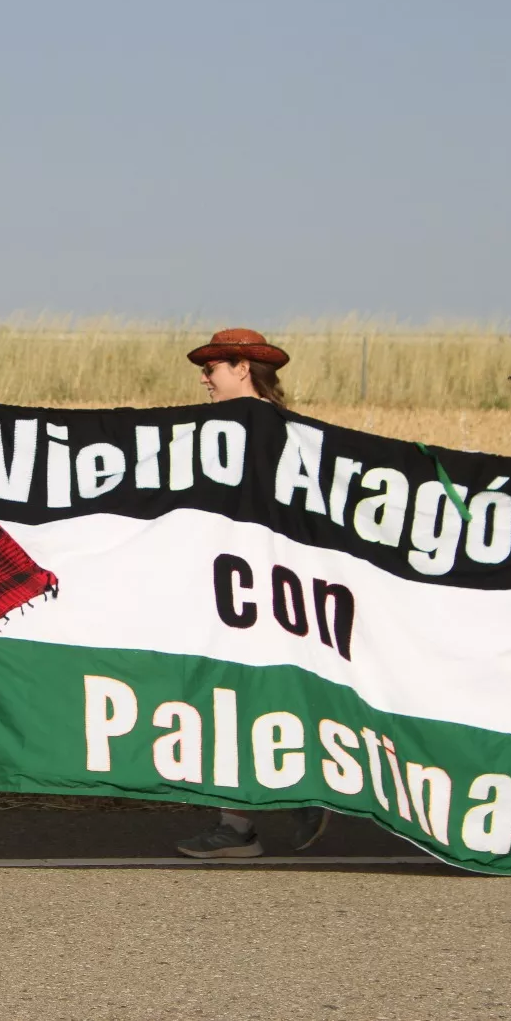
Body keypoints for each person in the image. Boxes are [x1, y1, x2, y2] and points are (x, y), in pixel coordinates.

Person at [172, 328, 331, 859]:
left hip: (271, 589)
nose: (204, 378)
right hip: (227, 587)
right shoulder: (218, 432)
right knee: (229, 698)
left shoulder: (285, 433)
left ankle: (302, 791)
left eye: (213, 368)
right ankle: (239, 823)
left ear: (242, 369)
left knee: (263, 693)